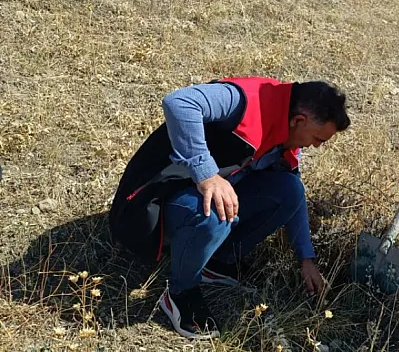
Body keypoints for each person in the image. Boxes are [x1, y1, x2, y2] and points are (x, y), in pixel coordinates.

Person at [108, 76, 350, 339]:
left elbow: (293, 194)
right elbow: (178, 102)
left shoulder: (287, 135)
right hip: (153, 200)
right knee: (216, 210)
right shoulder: (246, 100)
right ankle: (180, 292)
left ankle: (216, 263)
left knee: (289, 189)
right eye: (317, 139)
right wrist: (207, 175)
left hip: (196, 197)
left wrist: (306, 258)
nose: (316, 146)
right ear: (299, 120)